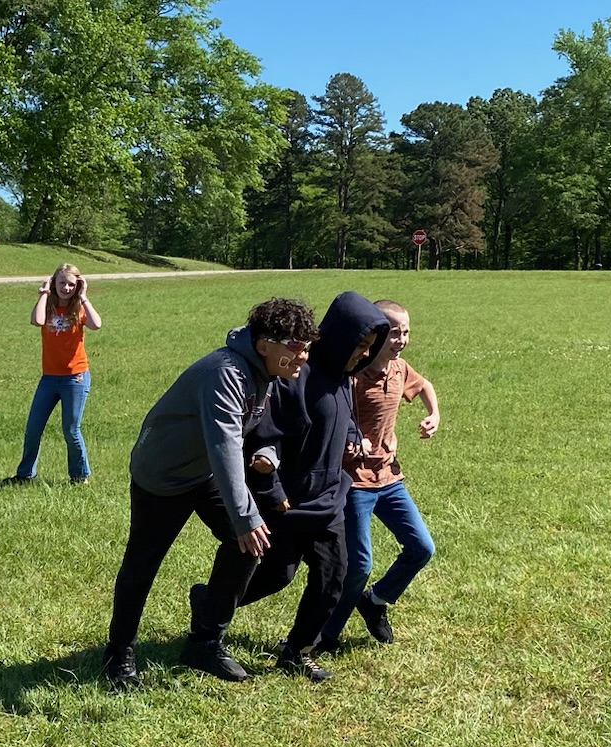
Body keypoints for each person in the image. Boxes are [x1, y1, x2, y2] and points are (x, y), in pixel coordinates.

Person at [102, 297, 317, 690]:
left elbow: (257, 426)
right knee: (143, 563)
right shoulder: (227, 373)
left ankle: (205, 640)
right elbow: (225, 445)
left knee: (249, 545)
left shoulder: (266, 372)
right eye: (296, 346)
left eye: (306, 346)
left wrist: (268, 453)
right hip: (163, 475)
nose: (303, 356)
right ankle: (119, 655)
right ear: (264, 343)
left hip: (204, 472)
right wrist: (246, 516)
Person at [235, 292, 391, 681]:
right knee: (277, 575)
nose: (363, 355)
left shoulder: (343, 379)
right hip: (289, 502)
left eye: (370, 349)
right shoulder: (295, 377)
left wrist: (354, 435)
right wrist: (271, 494)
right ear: (339, 337)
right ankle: (210, 605)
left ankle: (298, 650)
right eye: (359, 346)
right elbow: (264, 439)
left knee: (333, 577)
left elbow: (341, 418)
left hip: (328, 499)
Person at [318, 299, 440, 653]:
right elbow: (330, 418)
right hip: (354, 482)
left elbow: (426, 385)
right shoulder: (353, 375)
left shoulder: (400, 369)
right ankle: (326, 634)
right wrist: (353, 440)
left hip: (389, 478)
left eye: (406, 332)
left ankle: (377, 601)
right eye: (393, 333)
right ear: (374, 334)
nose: (400, 340)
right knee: (358, 564)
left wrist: (434, 416)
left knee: (421, 547)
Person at [10, 262, 101, 484]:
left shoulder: (79, 308)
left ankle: (80, 477)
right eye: (62, 283)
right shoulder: (48, 307)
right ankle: (25, 475)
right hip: (49, 378)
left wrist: (84, 296)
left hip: (75, 378)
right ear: (54, 282)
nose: (66, 288)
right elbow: (37, 320)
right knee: (33, 428)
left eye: (71, 284)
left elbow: (96, 324)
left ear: (77, 285)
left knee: (70, 429)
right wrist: (44, 293)